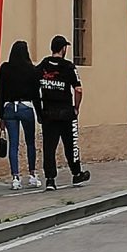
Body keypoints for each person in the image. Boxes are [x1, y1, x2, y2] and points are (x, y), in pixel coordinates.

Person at [36, 35, 92, 191]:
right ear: (63, 49)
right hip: (66, 112)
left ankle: (50, 179)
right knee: (71, 144)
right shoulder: (68, 66)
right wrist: (76, 107)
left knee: (49, 147)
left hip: (48, 112)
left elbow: (34, 85)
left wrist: (39, 109)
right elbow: (78, 89)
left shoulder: (43, 65)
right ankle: (76, 173)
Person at [0, 40, 40, 189]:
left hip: (9, 108)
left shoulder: (5, 68)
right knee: (30, 142)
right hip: (26, 107)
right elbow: (36, 94)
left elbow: (1, 93)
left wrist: (1, 116)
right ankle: (32, 175)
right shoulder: (31, 69)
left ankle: (15, 178)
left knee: (13, 144)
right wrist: (40, 114)